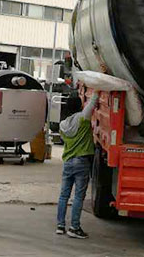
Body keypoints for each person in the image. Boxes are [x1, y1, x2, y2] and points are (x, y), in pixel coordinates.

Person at [56, 91, 99, 239]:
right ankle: (74, 227)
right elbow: (93, 103)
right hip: (81, 162)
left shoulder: (62, 125)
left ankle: (60, 226)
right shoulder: (82, 118)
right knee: (79, 196)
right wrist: (98, 87)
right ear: (79, 106)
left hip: (68, 162)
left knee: (63, 195)